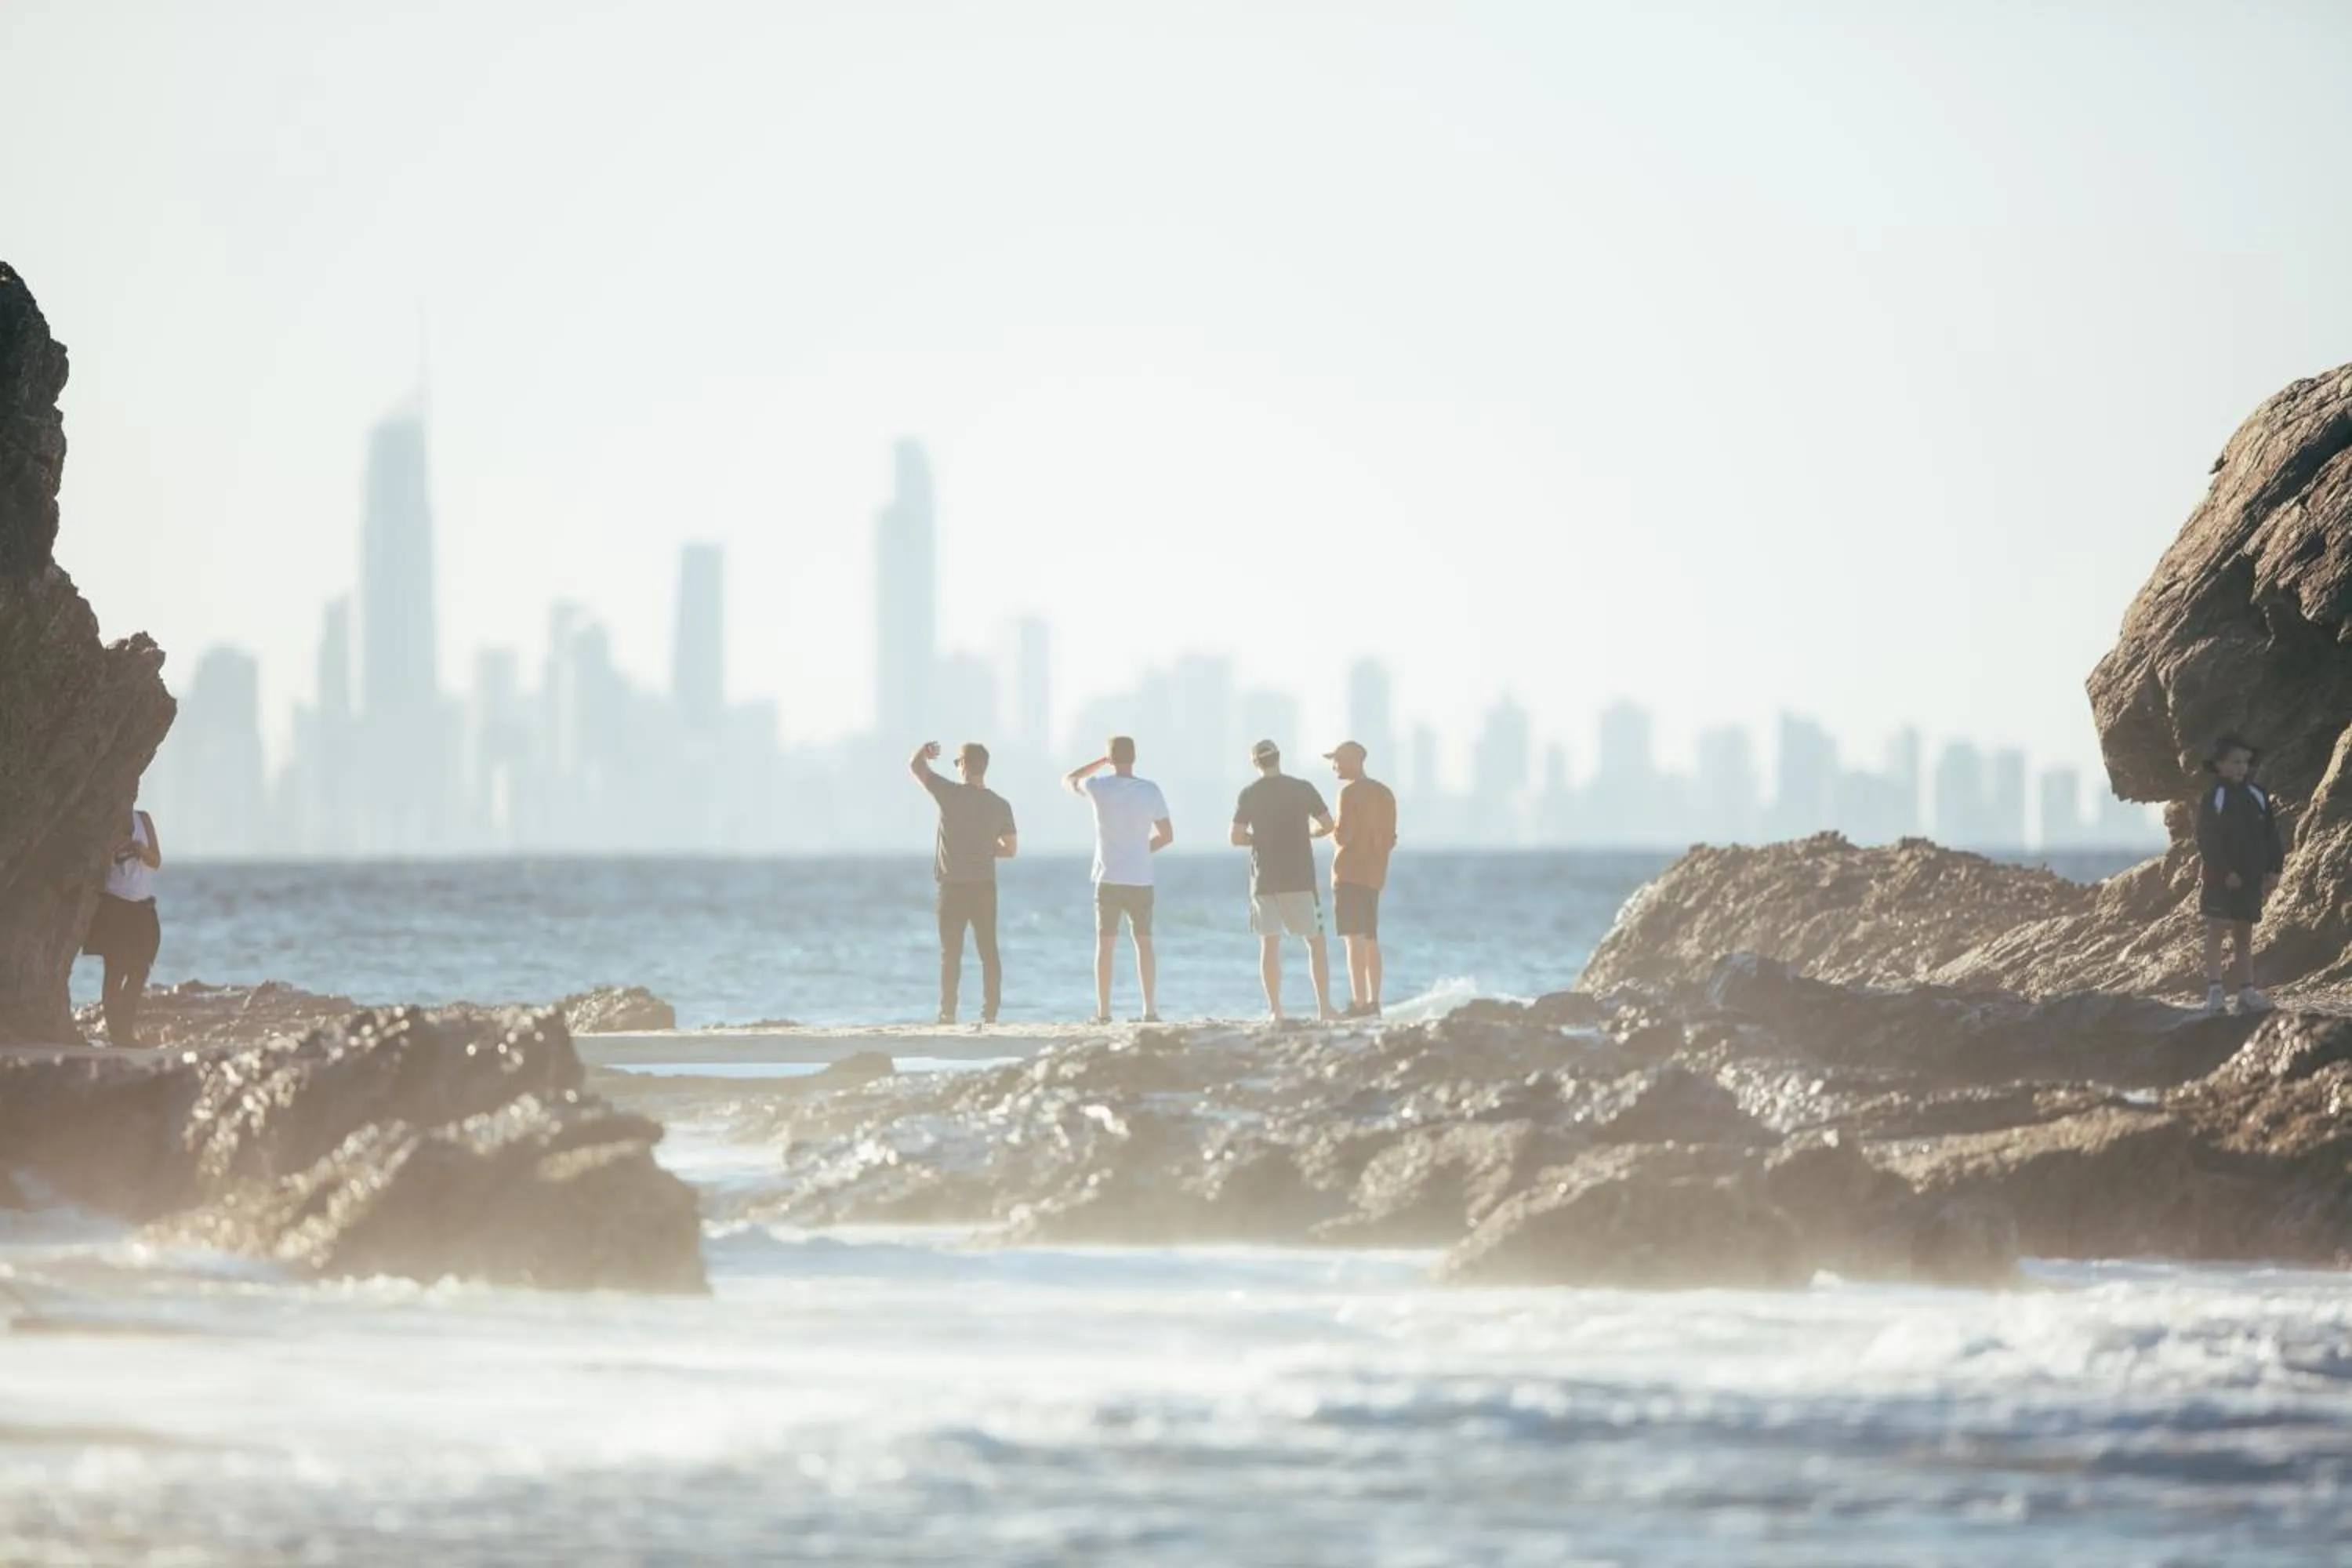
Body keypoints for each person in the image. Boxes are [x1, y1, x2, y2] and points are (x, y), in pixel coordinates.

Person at [1065, 735, 1174, 1025]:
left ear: (1111, 759)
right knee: (1144, 943)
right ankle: (1149, 1011)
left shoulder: (1097, 787)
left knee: (1106, 945)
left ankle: (1103, 1013)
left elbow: (1069, 779)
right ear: (1134, 757)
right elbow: (1167, 835)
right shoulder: (1150, 791)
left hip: (1109, 876)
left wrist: (1099, 763)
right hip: (1140, 877)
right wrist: (1141, 849)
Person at [909, 740, 1017, 1025]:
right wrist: (985, 845)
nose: (957, 768)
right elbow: (1010, 849)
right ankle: (990, 1013)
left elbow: (915, 767)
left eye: (957, 763)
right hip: (983, 886)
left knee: (951, 953)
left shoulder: (950, 794)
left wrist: (925, 751)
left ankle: (947, 1012)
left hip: (952, 886)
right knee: (988, 951)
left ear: (965, 766)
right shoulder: (1000, 805)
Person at [1230, 739, 1338, 1023]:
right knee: (1315, 942)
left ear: (1256, 763)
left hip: (1265, 878)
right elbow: (1328, 824)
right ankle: (1325, 1009)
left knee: (1270, 945)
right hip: (1299, 878)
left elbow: (1236, 837)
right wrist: (1311, 834)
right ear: (1279, 757)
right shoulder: (1302, 788)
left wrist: (1258, 840)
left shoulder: (1249, 794)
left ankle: (1276, 1011)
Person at [2194, 731, 2285, 1016]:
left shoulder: (2258, 795)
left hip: (2250, 876)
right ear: (2218, 765)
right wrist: (2225, 871)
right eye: (2234, 762)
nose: (2240, 768)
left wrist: (2274, 868)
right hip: (2219, 876)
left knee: (2244, 932)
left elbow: (2270, 835)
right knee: (2217, 928)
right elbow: (2206, 838)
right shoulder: (2214, 796)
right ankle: (2215, 990)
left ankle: (2246, 991)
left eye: (2245, 762)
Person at [1323, 739, 1399, 1018]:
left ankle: (1358, 1003)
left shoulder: (1349, 793)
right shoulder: (1386, 794)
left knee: (1352, 939)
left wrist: (1327, 831)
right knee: (1370, 938)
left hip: (1348, 874)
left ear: (1355, 760)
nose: (1334, 766)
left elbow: (1344, 836)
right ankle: (1375, 1003)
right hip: (1374, 876)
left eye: (1338, 760)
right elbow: (1391, 838)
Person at [82, 798, 162, 1047]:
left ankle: (123, 1028)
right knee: (115, 971)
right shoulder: (106, 822)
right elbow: (95, 866)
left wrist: (140, 849)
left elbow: (156, 860)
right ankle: (118, 1034)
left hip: (143, 907)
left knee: (140, 970)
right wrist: (113, 851)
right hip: (114, 906)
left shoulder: (143, 819)